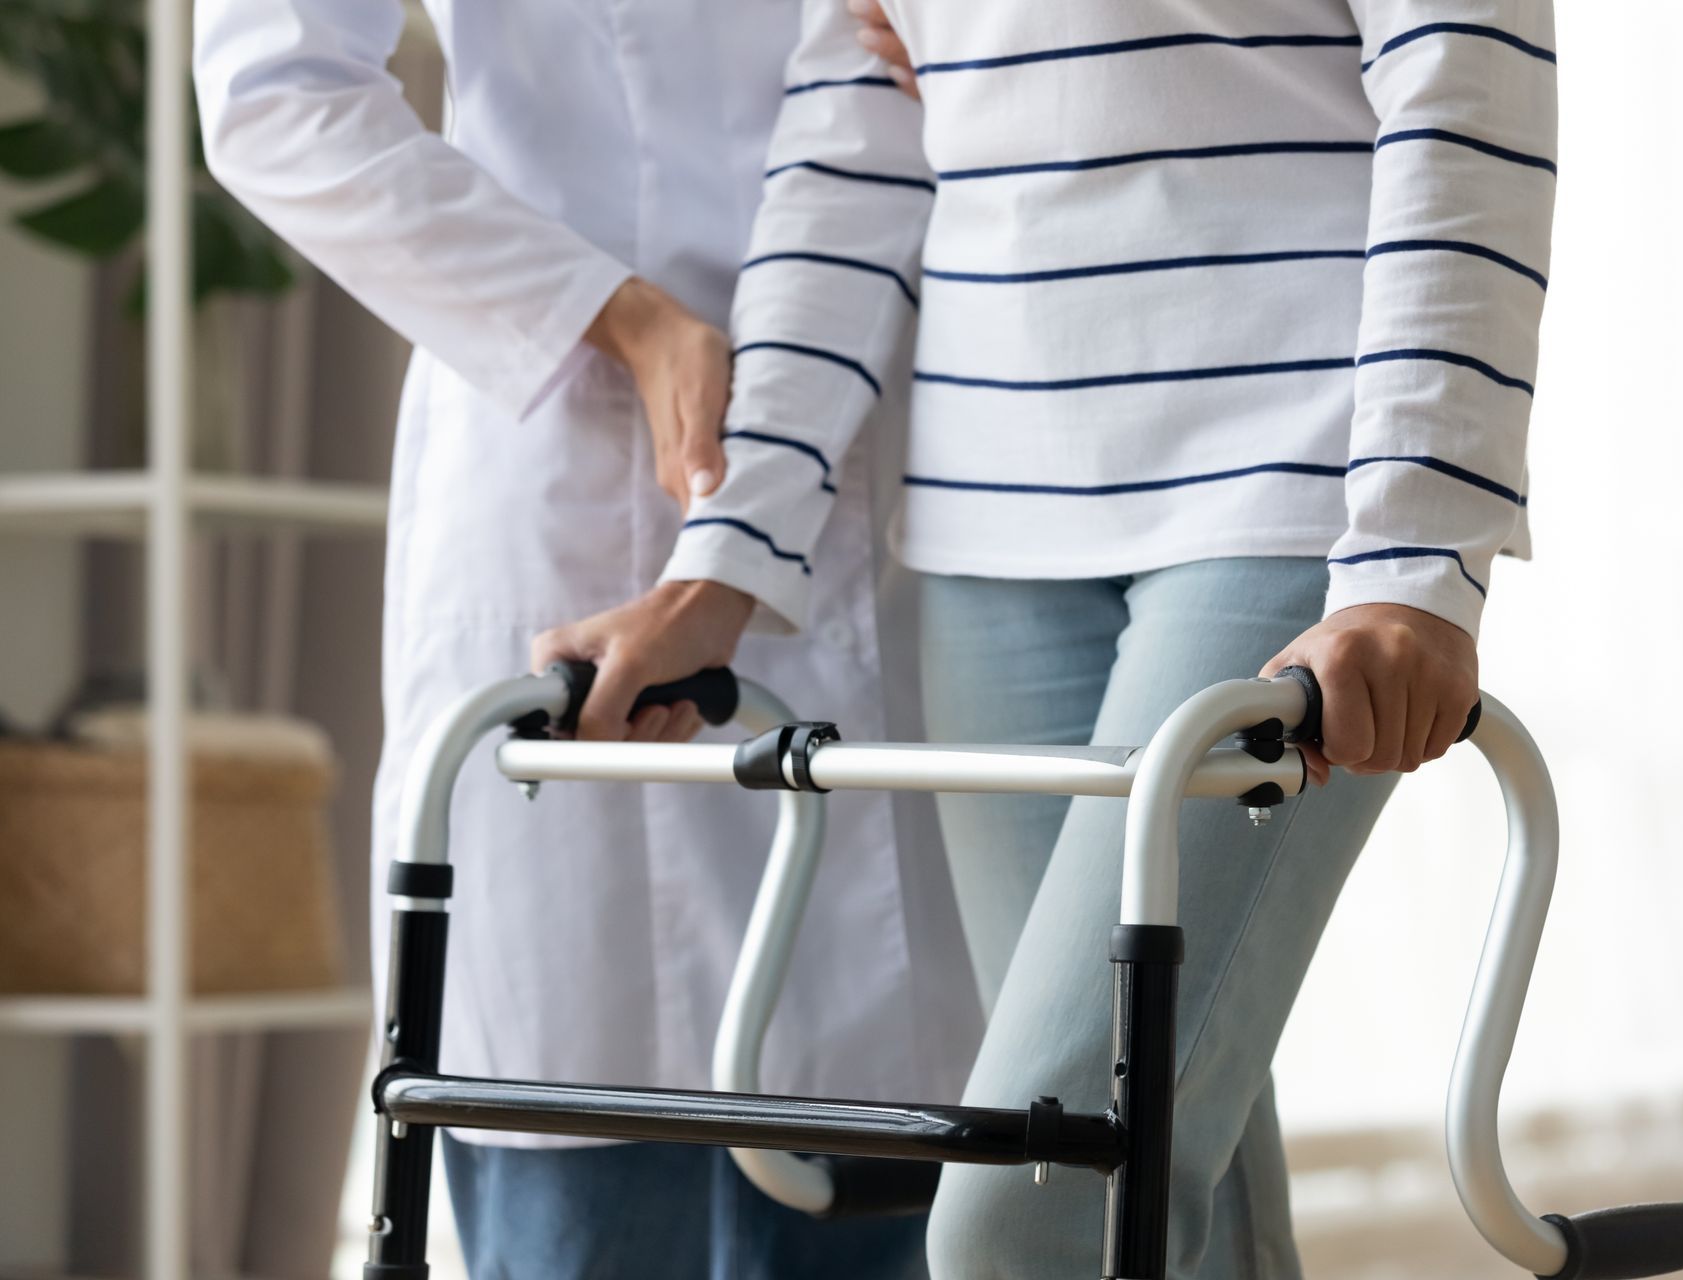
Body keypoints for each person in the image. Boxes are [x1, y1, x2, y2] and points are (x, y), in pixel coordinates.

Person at [538, 0, 1557, 1275]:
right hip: (990, 536)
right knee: (1147, 1184)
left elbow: (1466, 84)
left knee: (1032, 1212)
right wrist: (722, 560)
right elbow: (848, 164)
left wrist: (1414, 553)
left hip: (1295, 485)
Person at [191, 2, 982, 1276]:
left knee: (882, 1156)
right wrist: (615, 314)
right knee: (581, 1151)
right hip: (567, 438)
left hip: (885, 417)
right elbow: (270, 91)